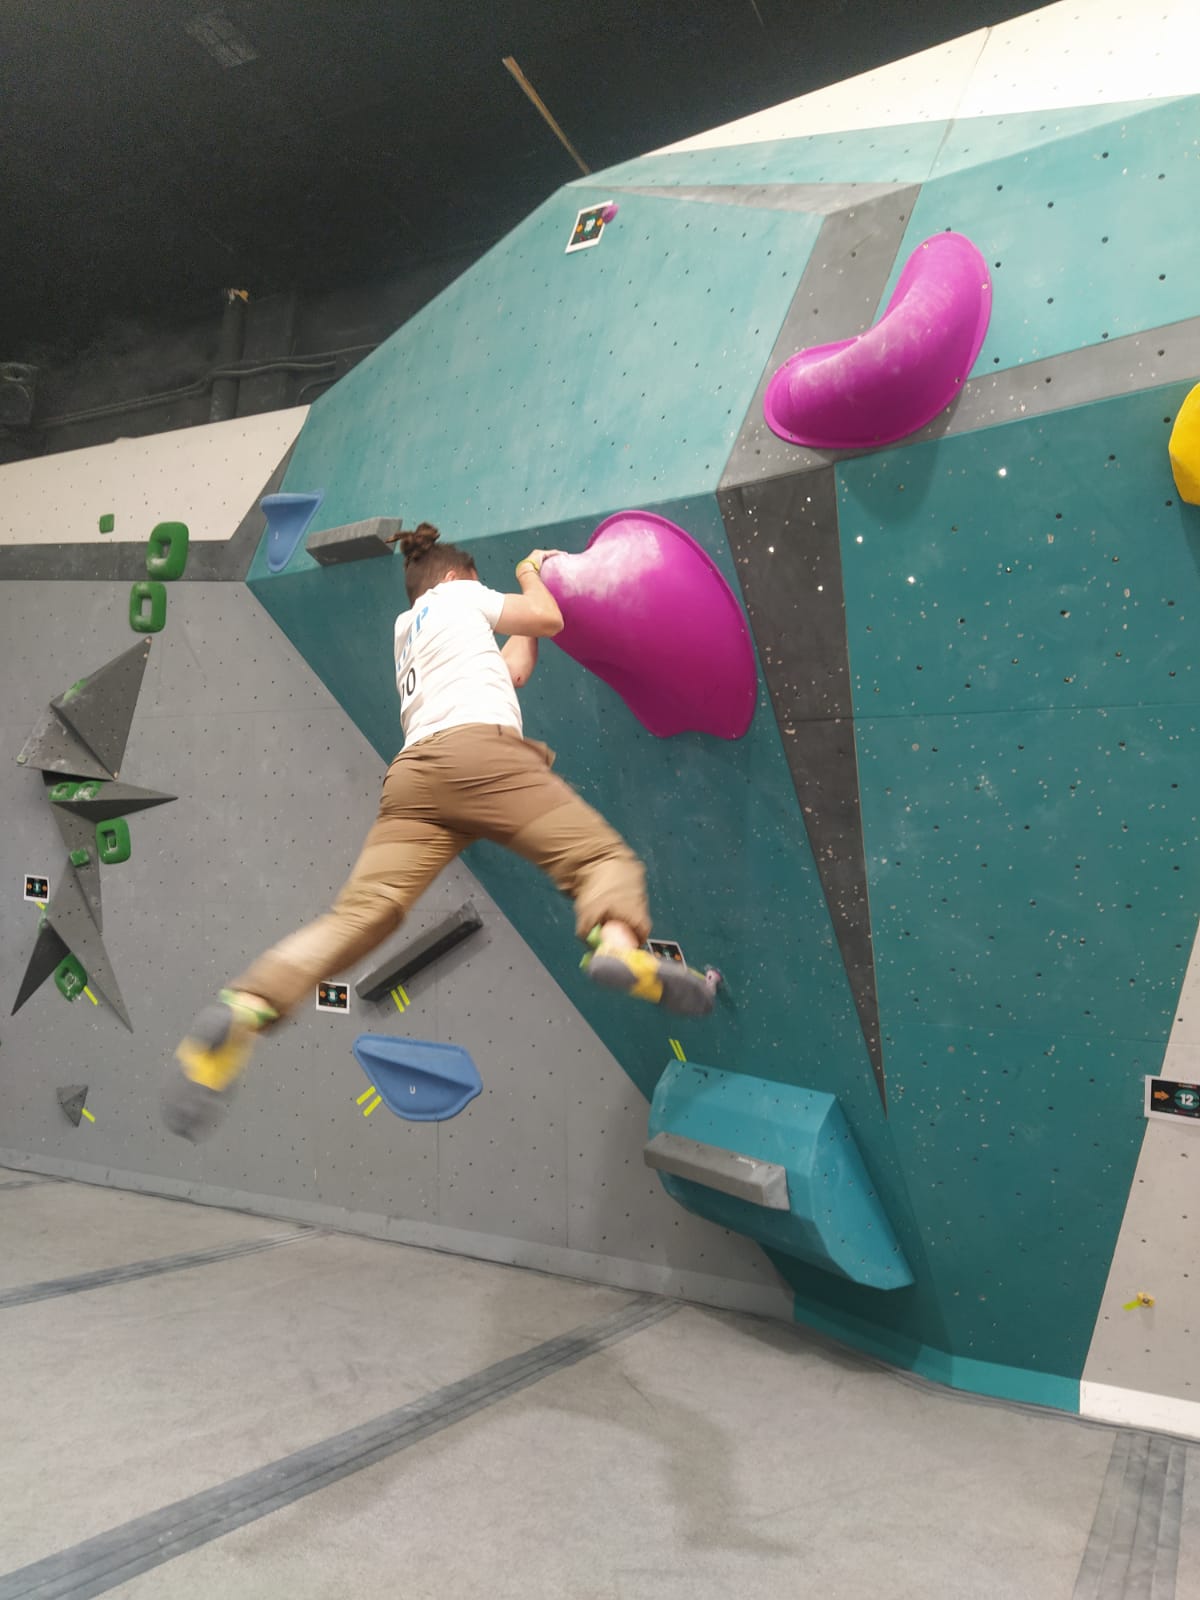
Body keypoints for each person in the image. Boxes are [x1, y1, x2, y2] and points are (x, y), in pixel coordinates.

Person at [163, 523, 714, 1142]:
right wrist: (532, 570)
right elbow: (546, 618)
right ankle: (618, 948)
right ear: (457, 577)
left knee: (362, 915)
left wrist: (525, 625)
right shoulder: (456, 595)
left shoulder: (408, 630)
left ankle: (246, 1005)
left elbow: (517, 665)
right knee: (600, 860)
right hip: (479, 759)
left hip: (415, 781)